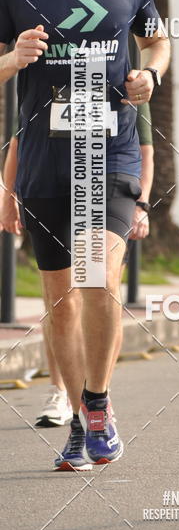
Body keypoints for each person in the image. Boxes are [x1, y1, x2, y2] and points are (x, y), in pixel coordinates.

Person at [0, 0, 170, 469]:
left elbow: (156, 38)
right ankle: (78, 417)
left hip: (112, 150)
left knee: (98, 277)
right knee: (60, 300)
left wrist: (150, 72)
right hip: (46, 157)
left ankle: (97, 405)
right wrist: (13, 59)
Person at [0, 104, 155, 430]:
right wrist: (9, 195)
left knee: (101, 287)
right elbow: (19, 139)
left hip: (110, 187)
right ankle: (61, 391)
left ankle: (99, 393)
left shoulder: (122, 73)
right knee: (61, 300)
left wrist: (140, 205)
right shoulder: (47, 71)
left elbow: (145, 150)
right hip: (50, 185)